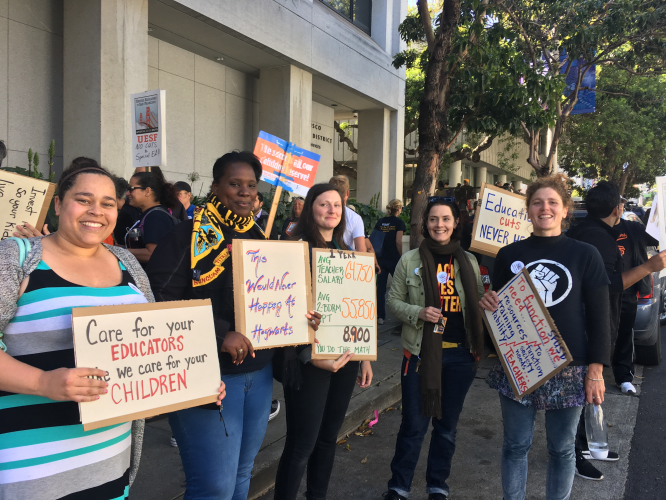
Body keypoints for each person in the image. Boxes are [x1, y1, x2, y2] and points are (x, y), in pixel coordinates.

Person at [0, 159, 227, 500]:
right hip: (30, 470)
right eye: (83, 199)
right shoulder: (16, 257)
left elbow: (154, 349)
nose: (96, 211)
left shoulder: (127, 263)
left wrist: (193, 382)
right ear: (59, 204)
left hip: (110, 464)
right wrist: (42, 382)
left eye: (108, 203)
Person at [147, 151, 321, 500]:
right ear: (215, 186)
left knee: (242, 473)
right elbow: (157, 305)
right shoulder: (187, 236)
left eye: (251, 186)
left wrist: (299, 316)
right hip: (204, 375)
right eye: (234, 184)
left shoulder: (262, 237)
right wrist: (218, 331)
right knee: (214, 485)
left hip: (256, 375)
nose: (244, 192)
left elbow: (271, 297)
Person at [479, 174, 611, 500]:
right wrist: (488, 306)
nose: (545, 208)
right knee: (514, 445)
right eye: (537, 202)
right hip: (519, 364)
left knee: (563, 449)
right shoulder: (508, 255)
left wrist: (596, 371)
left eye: (553, 202)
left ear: (565, 210)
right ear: (528, 210)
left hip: (572, 367)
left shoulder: (586, 254)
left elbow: (600, 318)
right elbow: (499, 315)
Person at [274, 183, 373, 500]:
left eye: (337, 205)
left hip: (344, 358)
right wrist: (307, 354)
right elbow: (279, 311)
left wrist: (364, 356)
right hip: (308, 362)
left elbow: (358, 309)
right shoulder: (293, 251)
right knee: (302, 442)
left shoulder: (347, 255)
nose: (331, 209)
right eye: (323, 204)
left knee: (328, 437)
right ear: (308, 209)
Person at [382, 197, 484, 500]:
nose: (439, 225)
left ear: (455, 224)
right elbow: (392, 301)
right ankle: (398, 487)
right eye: (433, 219)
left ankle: (437, 484)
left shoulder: (470, 261)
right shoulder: (409, 259)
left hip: (460, 355)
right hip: (420, 354)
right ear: (425, 224)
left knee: (446, 428)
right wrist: (419, 313)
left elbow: (478, 301)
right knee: (413, 426)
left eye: (446, 219)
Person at [567, 182, 666, 480]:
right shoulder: (598, 240)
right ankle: (573, 455)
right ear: (617, 208)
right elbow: (606, 286)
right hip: (585, 327)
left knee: (584, 393)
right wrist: (649, 267)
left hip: (588, 323)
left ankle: (584, 447)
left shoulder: (589, 234)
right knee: (579, 392)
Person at [125, 171, 179, 263]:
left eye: (131, 188)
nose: (127, 193)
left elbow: (152, 254)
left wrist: (120, 252)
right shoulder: (149, 214)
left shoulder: (156, 216)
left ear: (147, 191)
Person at [374, 199, 406, 325]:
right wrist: (401, 256)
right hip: (394, 259)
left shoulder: (381, 221)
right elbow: (398, 241)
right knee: (401, 287)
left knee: (380, 289)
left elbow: (375, 239)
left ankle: (380, 316)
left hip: (381, 259)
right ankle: (403, 316)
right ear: (399, 209)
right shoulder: (399, 223)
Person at [328, 175, 367, 251]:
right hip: (346, 260)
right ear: (347, 193)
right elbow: (361, 249)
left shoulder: (320, 212)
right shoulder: (355, 218)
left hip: (322, 259)